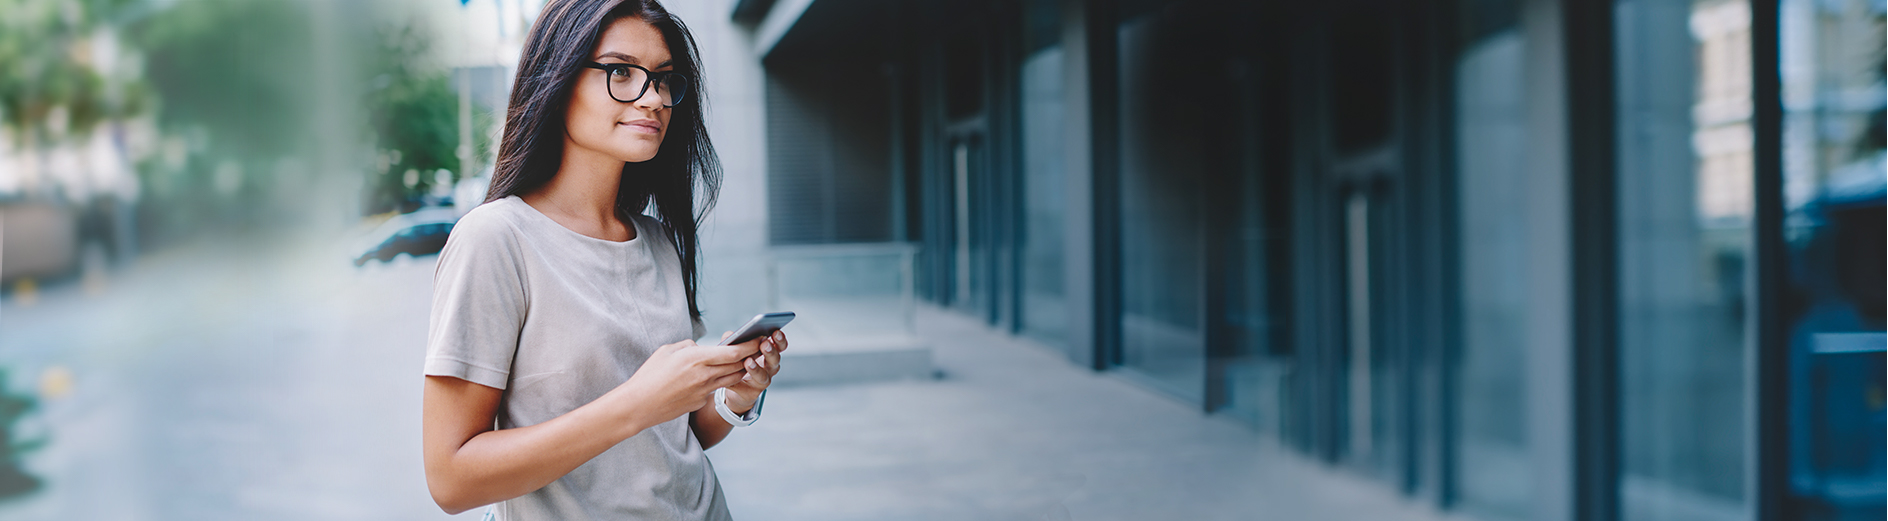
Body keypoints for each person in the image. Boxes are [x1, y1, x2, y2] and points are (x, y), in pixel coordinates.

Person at [420, 1, 785, 519]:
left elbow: (676, 438)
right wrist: (636, 404)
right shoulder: (496, 239)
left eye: (662, 79)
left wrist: (735, 393)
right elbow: (452, 480)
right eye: (621, 72)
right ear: (559, 79)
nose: (652, 98)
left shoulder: (658, 240)